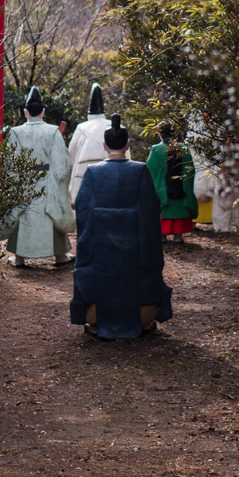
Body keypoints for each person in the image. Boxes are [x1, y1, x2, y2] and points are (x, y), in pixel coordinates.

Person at [70, 114, 173, 339]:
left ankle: (97, 321)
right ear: (128, 144)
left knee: (92, 282)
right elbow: (150, 217)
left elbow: (84, 215)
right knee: (145, 281)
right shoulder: (140, 171)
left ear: (105, 146)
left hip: (100, 258)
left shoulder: (93, 173)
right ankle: (143, 321)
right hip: (136, 260)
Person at [5, 85, 75, 268]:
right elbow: (63, 164)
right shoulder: (53, 131)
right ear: (43, 112)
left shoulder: (15, 132)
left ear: (25, 112)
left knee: (22, 212)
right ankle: (61, 256)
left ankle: (19, 258)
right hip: (48, 179)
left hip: (24, 180)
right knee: (51, 211)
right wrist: (59, 183)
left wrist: (14, 183)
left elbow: (10, 163)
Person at [146, 125, 198, 244]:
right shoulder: (183, 148)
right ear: (175, 134)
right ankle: (178, 237)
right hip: (181, 190)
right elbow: (190, 170)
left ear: (160, 135)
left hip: (163, 191)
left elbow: (151, 170)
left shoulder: (156, 149)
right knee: (179, 208)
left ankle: (162, 237)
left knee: (162, 209)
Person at [68, 82, 108, 203]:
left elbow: (71, 154)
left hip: (84, 175)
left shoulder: (81, 128)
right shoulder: (115, 126)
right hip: (110, 174)